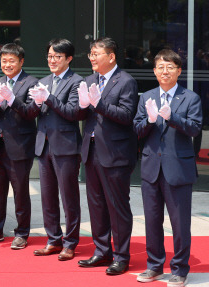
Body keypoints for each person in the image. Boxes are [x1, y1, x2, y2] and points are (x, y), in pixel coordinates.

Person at [133, 49, 201, 286]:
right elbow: (136, 130)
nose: (165, 71)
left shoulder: (190, 98)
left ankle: (180, 269)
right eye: (160, 67)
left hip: (178, 169)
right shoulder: (147, 97)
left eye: (170, 67)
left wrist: (173, 117)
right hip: (152, 167)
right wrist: (150, 120)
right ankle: (154, 266)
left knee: (180, 223)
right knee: (152, 221)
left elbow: (194, 129)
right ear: (154, 71)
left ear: (179, 71)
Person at [76, 37, 139, 275]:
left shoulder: (126, 81)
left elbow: (126, 116)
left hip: (116, 154)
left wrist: (98, 103)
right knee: (96, 205)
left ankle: (121, 256)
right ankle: (102, 251)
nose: (91, 58)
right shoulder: (89, 79)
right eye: (90, 54)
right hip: (91, 151)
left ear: (111, 56)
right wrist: (83, 105)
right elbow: (84, 115)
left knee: (117, 206)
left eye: (96, 53)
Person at [27, 39, 84, 260]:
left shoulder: (77, 82)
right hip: (44, 145)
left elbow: (73, 112)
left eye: (57, 56)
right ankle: (53, 240)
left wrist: (48, 98)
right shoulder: (43, 81)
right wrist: (35, 103)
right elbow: (34, 112)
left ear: (68, 58)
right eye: (49, 56)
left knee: (69, 197)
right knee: (47, 196)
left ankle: (70, 243)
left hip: (66, 147)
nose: (52, 60)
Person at [0, 43, 38, 250]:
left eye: (11, 60)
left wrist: (12, 100)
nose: (7, 64)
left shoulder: (31, 82)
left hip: (20, 146)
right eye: (4, 60)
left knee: (20, 192)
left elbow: (32, 112)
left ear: (21, 61)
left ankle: (22, 233)